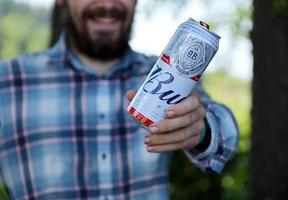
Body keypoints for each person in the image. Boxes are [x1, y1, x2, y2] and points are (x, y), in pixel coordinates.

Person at [0, 0, 239, 199]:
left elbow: (226, 139)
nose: (107, 4)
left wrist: (201, 131)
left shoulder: (170, 75)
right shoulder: (7, 82)